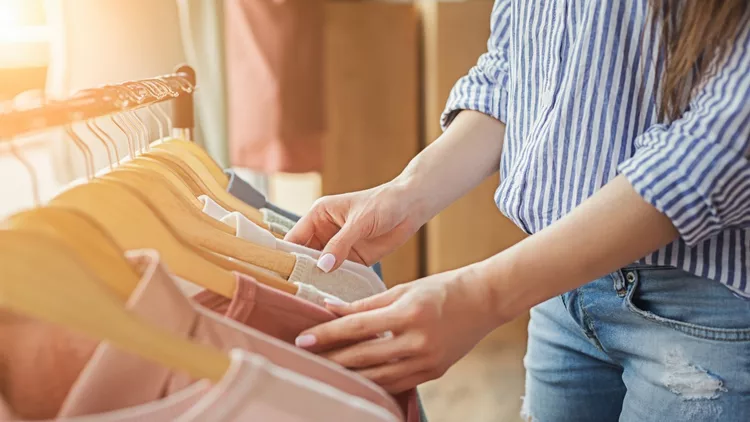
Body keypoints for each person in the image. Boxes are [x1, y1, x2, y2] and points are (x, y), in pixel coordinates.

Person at [286, 1, 750, 420]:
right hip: (558, 296)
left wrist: (484, 295)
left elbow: (723, 143)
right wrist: (404, 195)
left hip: (703, 315)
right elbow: (514, 74)